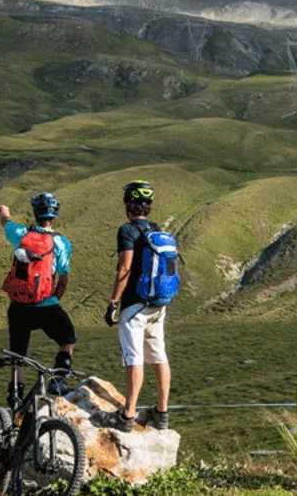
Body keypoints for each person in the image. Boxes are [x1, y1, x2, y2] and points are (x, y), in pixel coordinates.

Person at [104, 180, 172, 431]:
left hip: (134, 305)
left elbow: (124, 268)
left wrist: (113, 302)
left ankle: (127, 416)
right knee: (159, 356)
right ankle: (162, 413)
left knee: (135, 359)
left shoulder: (127, 231)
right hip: (158, 304)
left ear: (129, 205)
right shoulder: (156, 230)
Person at [0, 193, 75, 399]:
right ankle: (58, 380)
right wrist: (53, 299)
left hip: (18, 306)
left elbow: (5, 220)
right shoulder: (61, 242)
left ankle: (15, 400)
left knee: (17, 355)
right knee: (68, 338)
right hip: (46, 305)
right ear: (54, 214)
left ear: (35, 212)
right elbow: (63, 279)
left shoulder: (20, 233)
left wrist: (3, 211)